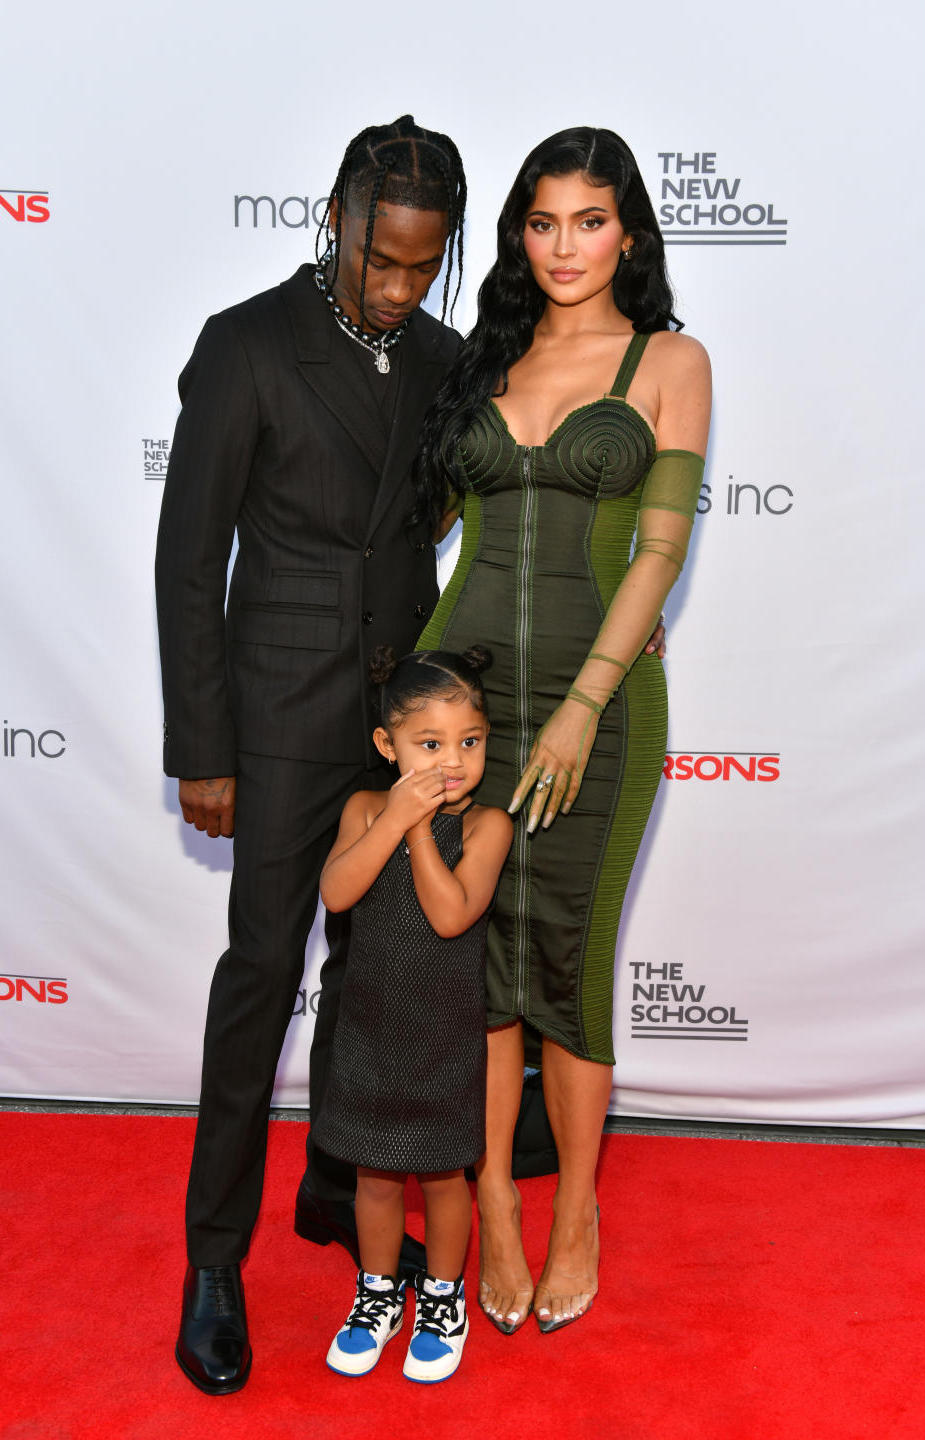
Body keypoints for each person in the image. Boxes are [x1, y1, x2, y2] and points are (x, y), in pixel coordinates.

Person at [155, 116, 469, 1395]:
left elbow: (439, 517)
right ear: (337, 217)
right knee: (262, 972)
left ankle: (340, 1185)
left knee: (379, 972)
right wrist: (203, 744)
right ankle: (213, 1260)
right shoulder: (245, 346)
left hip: (396, 716)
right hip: (279, 716)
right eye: (379, 258)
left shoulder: (449, 357)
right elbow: (189, 559)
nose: (395, 289)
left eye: (420, 265)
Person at [414, 127, 712, 1335]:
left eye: (589, 222)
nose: (565, 247)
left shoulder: (668, 358)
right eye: (543, 223)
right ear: (518, 234)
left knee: (575, 966)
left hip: (605, 703)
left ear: (627, 230)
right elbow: (414, 514)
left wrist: (586, 701)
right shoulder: (482, 358)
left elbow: (661, 547)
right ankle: (491, 1200)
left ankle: (577, 1206)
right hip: (462, 709)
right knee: (476, 970)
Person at [313, 646, 512, 1382]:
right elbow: (336, 893)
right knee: (373, 1175)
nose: (451, 761)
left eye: (470, 741)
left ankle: (439, 1297)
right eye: (429, 745)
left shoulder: (488, 825)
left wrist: (420, 826)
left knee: (442, 1178)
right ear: (386, 746)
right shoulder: (366, 807)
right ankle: (376, 1293)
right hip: (372, 1026)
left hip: (444, 1033)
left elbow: (451, 914)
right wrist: (393, 815)